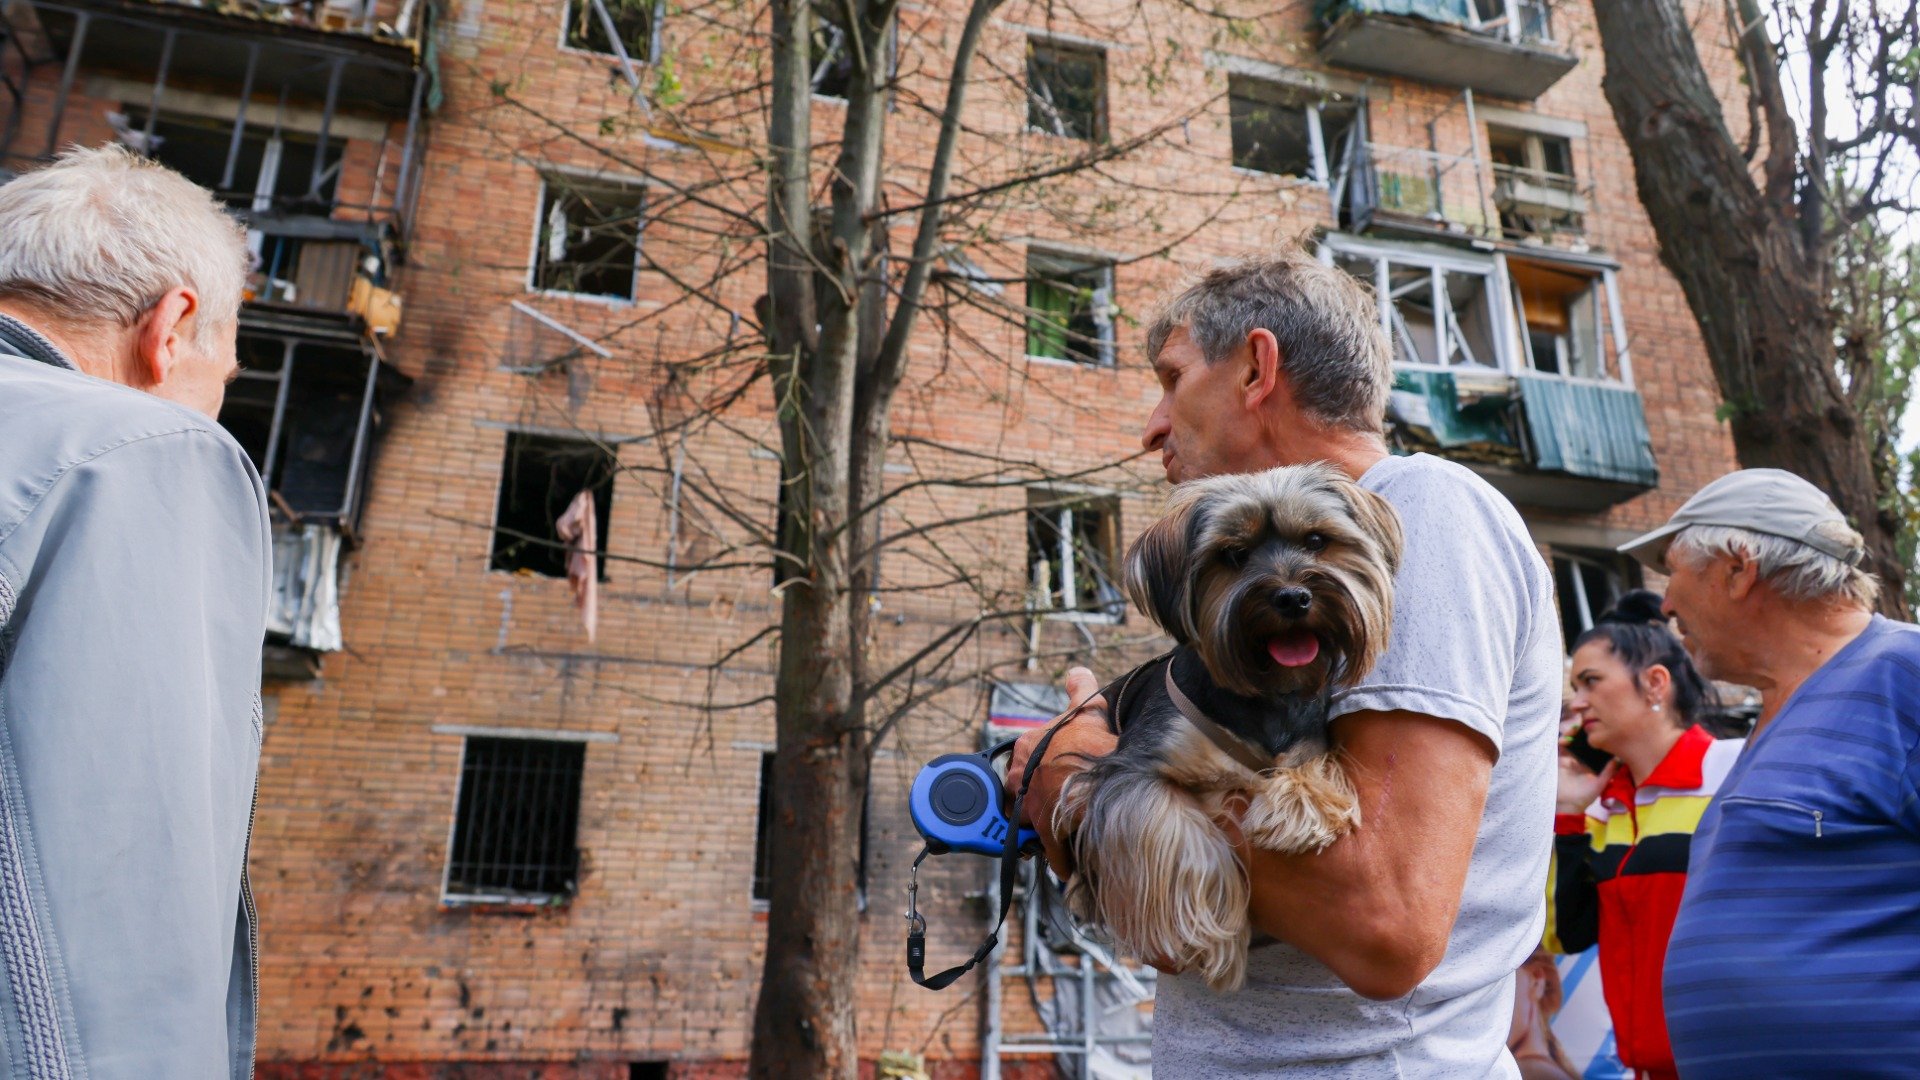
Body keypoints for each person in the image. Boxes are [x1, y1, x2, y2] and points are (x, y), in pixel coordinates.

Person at [1010, 250, 1562, 1076]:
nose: (1153, 426)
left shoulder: (1426, 517)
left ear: (1255, 369)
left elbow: (1386, 926)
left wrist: (1080, 777)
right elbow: (1176, 936)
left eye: (1173, 378)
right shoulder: (1255, 604)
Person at [0, 145, 268, 1078]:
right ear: (172, 327)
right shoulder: (140, 449)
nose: (215, 410)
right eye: (225, 378)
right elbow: (123, 916)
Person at [1617, 468, 1920, 1077]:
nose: (1667, 604)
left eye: (1673, 571)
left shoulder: (1903, 673)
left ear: (1738, 568)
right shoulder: (1775, 715)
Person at [1544, 590, 1741, 1080]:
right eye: (1574, 685)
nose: (1578, 701)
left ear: (1655, 683)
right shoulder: (1601, 809)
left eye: (1591, 681)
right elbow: (1564, 935)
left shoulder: (1732, 774)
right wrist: (1567, 813)